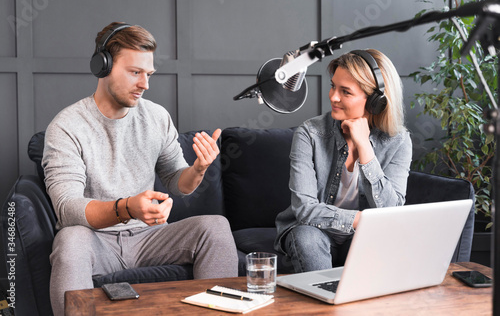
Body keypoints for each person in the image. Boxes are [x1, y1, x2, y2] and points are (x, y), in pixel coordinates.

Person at [43, 22, 238, 315]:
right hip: (95, 240)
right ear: (103, 65)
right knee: (69, 240)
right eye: (135, 72)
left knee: (215, 227)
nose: (145, 84)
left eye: (148, 74)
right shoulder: (67, 126)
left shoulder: (156, 117)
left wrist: (198, 168)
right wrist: (127, 208)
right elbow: (68, 208)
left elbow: (177, 181)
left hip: (149, 237)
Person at [274, 49, 412, 273]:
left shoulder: (399, 141)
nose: (333, 97)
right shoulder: (310, 133)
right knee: (306, 238)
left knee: (380, 245)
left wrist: (365, 149)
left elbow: (391, 211)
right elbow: (305, 209)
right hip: (313, 229)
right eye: (333, 86)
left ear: (375, 102)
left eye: (345, 92)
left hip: (361, 235)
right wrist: (360, 219)